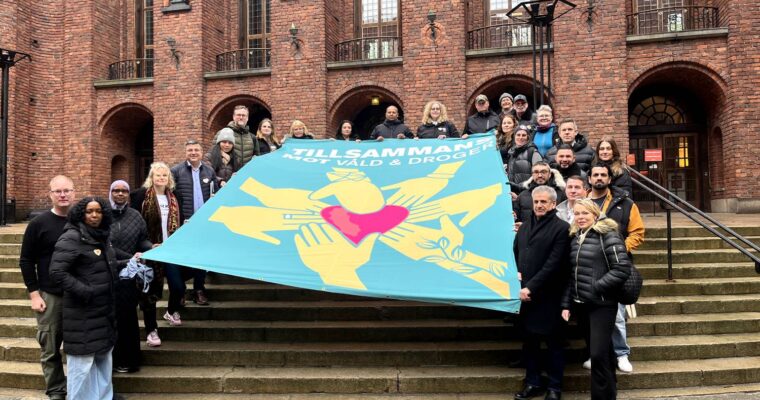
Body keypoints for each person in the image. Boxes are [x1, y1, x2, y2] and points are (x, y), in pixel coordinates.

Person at [49, 197, 124, 400]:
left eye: (98, 211)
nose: (94, 215)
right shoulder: (72, 237)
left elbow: (108, 262)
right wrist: (85, 291)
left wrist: (131, 260)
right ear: (81, 214)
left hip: (103, 311)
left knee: (103, 360)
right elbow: (56, 272)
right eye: (89, 211)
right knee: (81, 367)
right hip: (82, 312)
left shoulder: (102, 236)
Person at [561, 199, 632, 400]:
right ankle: (610, 391)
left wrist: (597, 286)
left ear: (595, 214)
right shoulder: (575, 237)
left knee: (598, 354)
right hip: (581, 304)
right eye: (577, 213)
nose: (581, 217)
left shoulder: (608, 235)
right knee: (602, 352)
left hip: (602, 304)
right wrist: (567, 303)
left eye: (585, 213)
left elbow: (622, 268)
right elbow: (571, 273)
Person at [19, 175, 74, 400]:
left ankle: (79, 389)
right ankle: (56, 390)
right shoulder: (38, 224)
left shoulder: (80, 221)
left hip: (77, 295)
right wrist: (34, 294)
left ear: (74, 192)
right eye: (58, 191)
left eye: (67, 191)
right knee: (50, 346)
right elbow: (25, 260)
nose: (63, 195)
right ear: (50, 194)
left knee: (78, 348)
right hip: (50, 294)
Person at [587, 163, 645, 374]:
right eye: (596, 175)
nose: (600, 178)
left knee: (618, 315)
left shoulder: (626, 203)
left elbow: (637, 233)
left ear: (610, 179)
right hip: (590, 265)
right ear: (590, 179)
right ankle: (597, 353)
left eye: (603, 175)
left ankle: (621, 353)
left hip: (616, 265)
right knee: (592, 314)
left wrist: (617, 249)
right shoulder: (583, 203)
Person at [513, 185, 570, 400]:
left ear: (553, 204)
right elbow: (518, 253)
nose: (539, 205)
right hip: (526, 298)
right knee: (530, 344)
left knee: (554, 344)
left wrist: (531, 286)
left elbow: (553, 264)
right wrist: (517, 277)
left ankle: (555, 388)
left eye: (543, 201)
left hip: (550, 296)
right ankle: (532, 382)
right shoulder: (525, 226)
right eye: (536, 201)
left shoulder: (561, 228)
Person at [109, 180, 154, 373]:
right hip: (108, 274)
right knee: (113, 320)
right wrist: (130, 258)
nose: (120, 194)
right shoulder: (102, 215)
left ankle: (131, 359)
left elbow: (142, 238)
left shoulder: (135, 215)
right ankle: (114, 360)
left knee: (128, 318)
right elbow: (105, 245)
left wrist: (150, 248)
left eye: (124, 191)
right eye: (116, 191)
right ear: (110, 193)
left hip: (129, 276)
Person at [132, 162, 183, 328]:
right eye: (158, 175)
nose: (161, 178)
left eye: (164, 175)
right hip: (151, 248)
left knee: (178, 285)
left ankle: (171, 310)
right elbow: (135, 222)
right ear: (151, 178)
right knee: (150, 292)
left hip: (171, 248)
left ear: (169, 178)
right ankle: (151, 329)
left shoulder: (176, 196)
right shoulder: (140, 195)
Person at [171, 140, 217, 306]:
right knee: (183, 257)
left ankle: (199, 290)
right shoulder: (176, 171)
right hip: (185, 222)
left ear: (201, 152)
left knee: (201, 257)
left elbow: (216, 194)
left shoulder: (209, 171)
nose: (193, 153)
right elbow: (172, 197)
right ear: (186, 152)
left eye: (196, 150)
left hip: (203, 223)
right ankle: (180, 290)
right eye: (190, 150)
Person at [505, 124, 542, 192]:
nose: (520, 137)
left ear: (528, 137)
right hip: (512, 192)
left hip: (528, 192)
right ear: (514, 137)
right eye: (518, 135)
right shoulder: (511, 153)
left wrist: (520, 187)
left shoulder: (533, 152)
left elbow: (540, 175)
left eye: (524, 135)